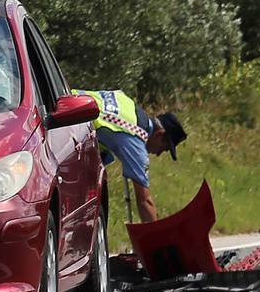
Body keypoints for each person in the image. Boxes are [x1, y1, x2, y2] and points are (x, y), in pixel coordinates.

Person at [73, 88, 186, 224]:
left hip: (62, 95)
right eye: (164, 148)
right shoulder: (135, 140)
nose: (159, 153)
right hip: (66, 122)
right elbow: (145, 200)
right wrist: (158, 239)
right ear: (159, 134)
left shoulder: (127, 104)